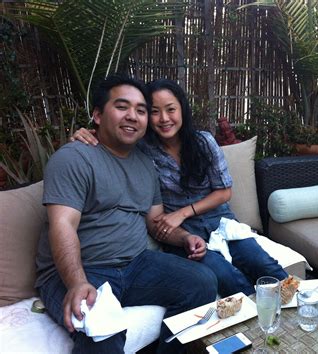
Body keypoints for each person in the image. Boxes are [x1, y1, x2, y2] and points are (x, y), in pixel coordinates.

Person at [36, 74, 218, 354]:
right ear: (97, 115)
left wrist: (184, 238)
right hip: (85, 269)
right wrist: (77, 282)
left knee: (203, 282)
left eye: (141, 110)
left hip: (135, 265)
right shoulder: (74, 158)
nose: (133, 116)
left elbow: (155, 222)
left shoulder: (145, 163)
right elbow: (62, 225)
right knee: (103, 335)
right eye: (122, 107)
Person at [72, 78, 288, 297]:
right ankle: (255, 319)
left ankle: (294, 311)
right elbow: (113, 137)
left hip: (220, 221)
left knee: (262, 263)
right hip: (182, 233)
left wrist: (182, 212)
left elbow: (224, 192)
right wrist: (89, 132)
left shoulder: (203, 142)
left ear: (182, 110)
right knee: (225, 277)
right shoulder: (142, 150)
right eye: (155, 111)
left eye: (171, 109)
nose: (164, 119)